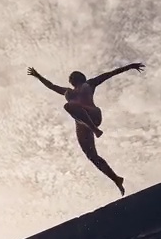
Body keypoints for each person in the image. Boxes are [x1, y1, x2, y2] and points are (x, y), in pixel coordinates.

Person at [26, 62, 145, 196]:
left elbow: (109, 74)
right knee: (92, 156)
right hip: (81, 124)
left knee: (69, 106)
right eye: (70, 78)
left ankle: (94, 129)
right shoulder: (67, 91)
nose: (70, 79)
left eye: (72, 77)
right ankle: (116, 179)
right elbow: (51, 86)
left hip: (92, 114)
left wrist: (131, 66)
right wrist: (37, 75)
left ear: (79, 77)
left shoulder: (89, 84)